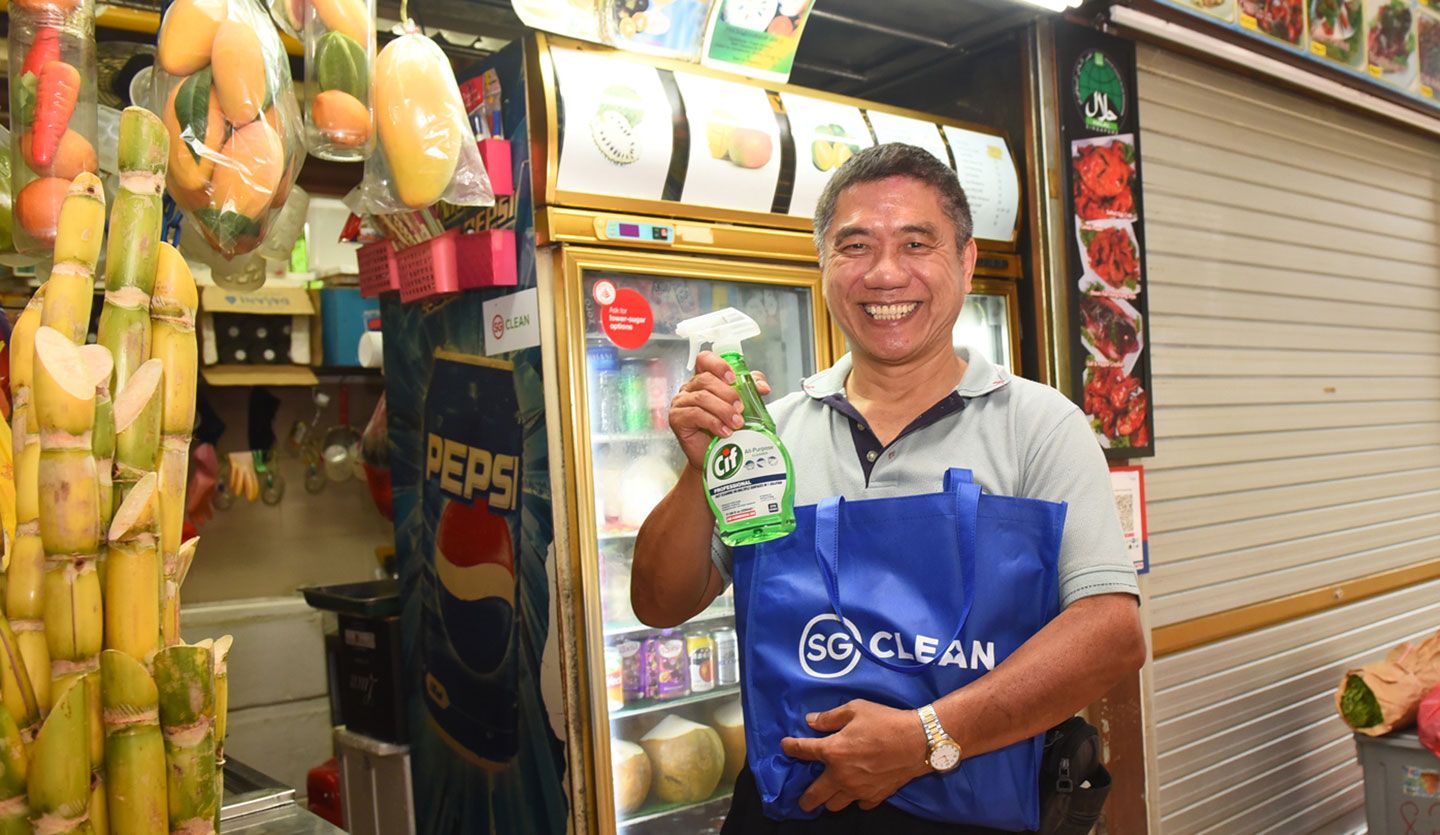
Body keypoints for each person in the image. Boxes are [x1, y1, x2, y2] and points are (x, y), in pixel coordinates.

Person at [631, 143, 1145, 834]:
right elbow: (661, 602)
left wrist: (924, 735)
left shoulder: (1038, 423)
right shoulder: (768, 432)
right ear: (823, 267)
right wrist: (699, 471)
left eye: (914, 242)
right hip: (789, 811)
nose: (884, 272)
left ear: (964, 262)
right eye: (855, 245)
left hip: (973, 811)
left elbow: (1111, 632)